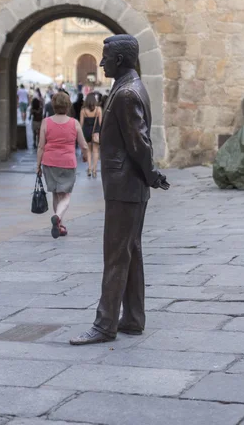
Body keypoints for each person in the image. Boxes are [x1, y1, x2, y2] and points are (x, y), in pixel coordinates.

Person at [70, 34, 169, 345]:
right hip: (128, 183)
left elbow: (139, 142)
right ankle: (133, 318)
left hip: (125, 184)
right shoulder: (127, 87)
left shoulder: (126, 93)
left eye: (106, 57)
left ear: (121, 60)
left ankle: (105, 324)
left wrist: (151, 174)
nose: (101, 62)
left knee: (116, 253)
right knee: (131, 251)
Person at [37, 91, 88, 239]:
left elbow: (41, 146)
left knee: (55, 193)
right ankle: (58, 218)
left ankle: (58, 224)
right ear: (68, 105)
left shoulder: (46, 122)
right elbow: (83, 145)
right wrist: (85, 156)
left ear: (53, 105)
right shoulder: (74, 123)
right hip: (67, 163)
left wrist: (38, 165)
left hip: (49, 162)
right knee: (66, 196)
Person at [80, 92, 102, 178]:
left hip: (86, 132)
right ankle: (94, 170)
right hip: (96, 132)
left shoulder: (83, 110)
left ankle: (89, 168)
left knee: (88, 151)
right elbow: (100, 123)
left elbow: (81, 124)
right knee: (95, 151)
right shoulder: (98, 109)